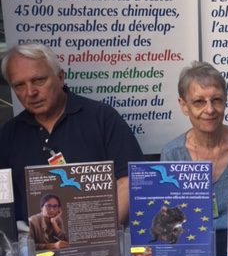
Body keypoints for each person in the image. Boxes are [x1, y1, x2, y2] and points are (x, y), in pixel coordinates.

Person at [0, 43, 143, 225]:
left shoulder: (102, 118)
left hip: (100, 243)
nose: (31, 92)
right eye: (19, 85)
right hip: (35, 246)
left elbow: (129, 180)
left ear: (60, 78)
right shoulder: (9, 134)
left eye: (38, 80)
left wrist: (100, 232)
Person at [161, 61, 228, 233]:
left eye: (216, 100)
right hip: (192, 243)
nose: (210, 109)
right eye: (199, 102)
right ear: (184, 105)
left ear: (226, 100)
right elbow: (172, 218)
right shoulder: (172, 154)